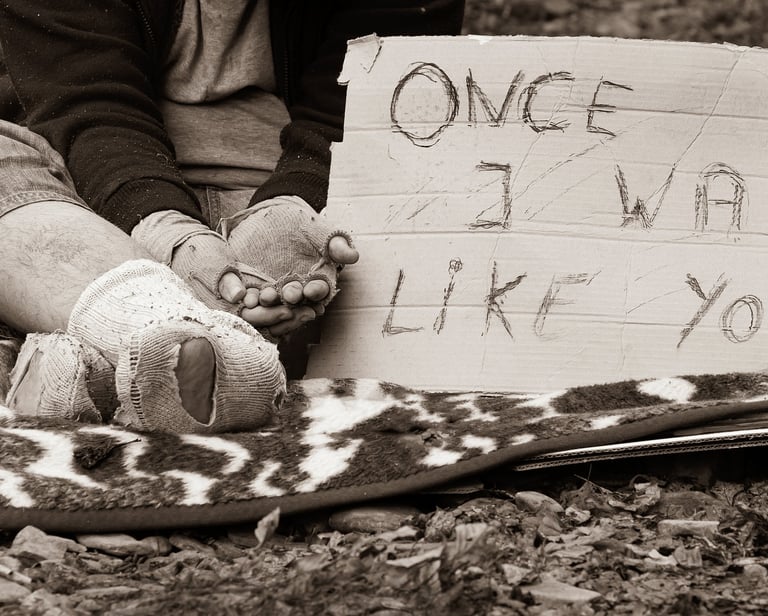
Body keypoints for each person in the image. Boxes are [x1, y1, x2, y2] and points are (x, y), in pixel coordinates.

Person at [0, 0, 465, 433]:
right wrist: (170, 234)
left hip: (282, 199)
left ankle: (126, 351)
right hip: (83, 198)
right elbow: (88, 106)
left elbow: (365, 105)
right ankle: (188, 338)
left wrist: (291, 208)